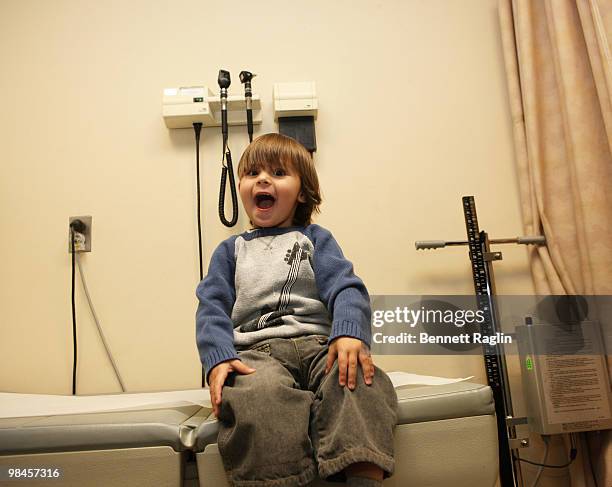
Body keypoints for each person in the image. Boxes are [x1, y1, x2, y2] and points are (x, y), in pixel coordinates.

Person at [196, 133, 397, 487]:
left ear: (302, 192)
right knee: (260, 398)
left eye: (277, 172)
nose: (262, 179)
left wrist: (349, 332)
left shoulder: (316, 239)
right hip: (258, 355)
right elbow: (211, 307)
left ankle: (362, 476)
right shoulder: (230, 251)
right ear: (241, 186)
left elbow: (347, 287)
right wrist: (218, 358)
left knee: (360, 383)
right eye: (252, 172)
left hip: (321, 347)